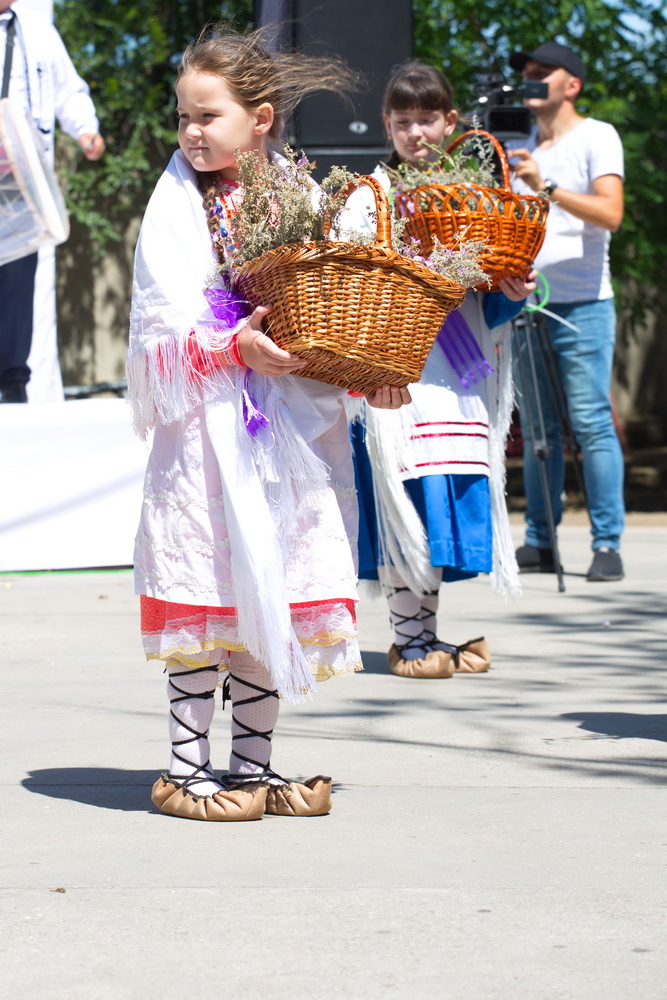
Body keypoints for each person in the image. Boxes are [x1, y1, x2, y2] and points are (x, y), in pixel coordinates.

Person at [127, 24, 409, 822]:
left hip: (287, 435)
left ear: (261, 116)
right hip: (209, 437)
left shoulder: (300, 195)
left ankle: (251, 765)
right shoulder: (174, 204)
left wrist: (373, 371)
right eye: (183, 115)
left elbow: (337, 312)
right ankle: (187, 767)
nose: (190, 131)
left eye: (207, 116)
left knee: (271, 593)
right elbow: (158, 329)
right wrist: (230, 343)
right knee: (211, 594)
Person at [340, 61, 533, 679]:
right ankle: (409, 640)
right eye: (403, 121)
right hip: (401, 372)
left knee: (435, 496)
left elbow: (495, 298)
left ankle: (421, 636)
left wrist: (513, 284)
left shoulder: (479, 197)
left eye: (427, 118)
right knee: (404, 499)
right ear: (387, 125)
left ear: (451, 121)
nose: (416, 132)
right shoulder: (371, 195)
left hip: (459, 374)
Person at [508, 41, 625, 582]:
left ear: (570, 84)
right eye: (525, 73)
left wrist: (546, 187)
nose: (529, 79)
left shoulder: (597, 136)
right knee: (538, 431)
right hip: (529, 305)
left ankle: (607, 545)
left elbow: (611, 213)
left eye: (540, 72)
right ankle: (541, 540)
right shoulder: (521, 146)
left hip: (583, 305)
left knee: (591, 424)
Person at [0, 0, 105, 403]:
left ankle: (14, 385)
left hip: (24, 178)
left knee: (22, 282)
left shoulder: (38, 29)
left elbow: (69, 90)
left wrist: (85, 130)